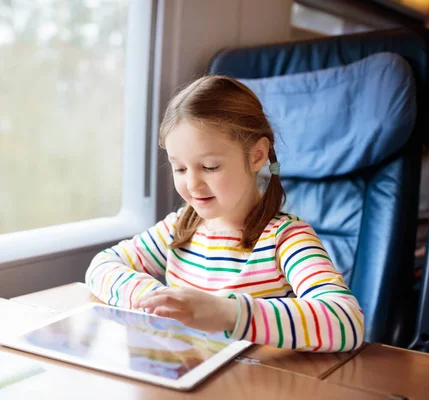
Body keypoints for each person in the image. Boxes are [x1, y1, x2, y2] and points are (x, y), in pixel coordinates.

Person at [85, 76, 364, 352]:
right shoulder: (179, 228)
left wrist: (230, 314)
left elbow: (346, 321)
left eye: (209, 167)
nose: (192, 184)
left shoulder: (286, 239)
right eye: (180, 169)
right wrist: (156, 298)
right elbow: (101, 265)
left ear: (256, 156)